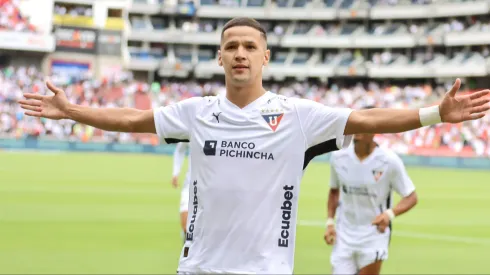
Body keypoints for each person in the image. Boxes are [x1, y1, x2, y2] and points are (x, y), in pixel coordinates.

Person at [18, 17, 489, 274]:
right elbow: (132, 118)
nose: (240, 52)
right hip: (198, 267)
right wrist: (73, 110)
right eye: (231, 45)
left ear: (265, 56)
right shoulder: (197, 111)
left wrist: (434, 114)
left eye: (249, 45)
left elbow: (366, 117)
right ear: (220, 56)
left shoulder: (298, 116)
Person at [324, 106, 418, 275]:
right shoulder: (338, 157)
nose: (358, 128)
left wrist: (389, 215)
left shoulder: (389, 161)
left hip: (374, 235)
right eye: (356, 123)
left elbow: (411, 197)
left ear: (375, 129)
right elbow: (333, 191)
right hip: (344, 235)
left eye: (364, 124)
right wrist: (330, 222)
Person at [172, 142, 191, 240]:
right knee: (185, 226)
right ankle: (187, 253)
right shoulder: (193, 128)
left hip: (211, 188)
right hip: (190, 184)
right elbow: (180, 150)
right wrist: (176, 172)